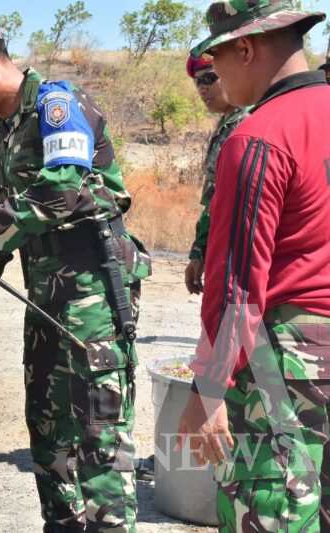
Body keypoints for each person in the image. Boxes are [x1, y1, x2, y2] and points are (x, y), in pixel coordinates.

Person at [0, 20, 151, 532]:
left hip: (94, 300)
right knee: (48, 435)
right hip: (46, 304)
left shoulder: (57, 106)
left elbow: (61, 192)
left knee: (98, 433)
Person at [176, 2, 330, 531]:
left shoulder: (257, 136)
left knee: (271, 512)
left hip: (284, 365)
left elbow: (239, 284)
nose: (215, 77)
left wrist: (210, 387)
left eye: (217, 60)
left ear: (247, 48)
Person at [184, 55, 249, 295]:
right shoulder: (227, 123)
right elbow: (214, 199)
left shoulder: (248, 123)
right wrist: (199, 251)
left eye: (210, 78)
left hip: (243, 256)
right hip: (223, 249)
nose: (202, 88)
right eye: (197, 82)